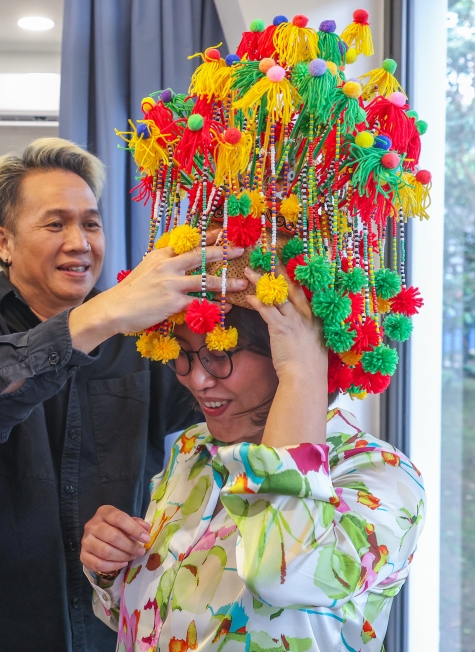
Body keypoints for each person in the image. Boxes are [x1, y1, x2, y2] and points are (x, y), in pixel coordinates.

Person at [0, 138, 249, 652]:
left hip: (115, 630)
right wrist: (97, 318)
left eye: (91, 223)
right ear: (3, 242)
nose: (79, 241)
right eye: (55, 224)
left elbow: (229, 397)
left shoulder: (141, 335)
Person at [79, 264, 426, 651]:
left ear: (289, 349)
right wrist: (111, 567)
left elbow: (278, 573)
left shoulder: (379, 476)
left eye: (220, 353)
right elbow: (153, 620)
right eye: (185, 353)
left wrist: (302, 372)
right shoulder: (194, 448)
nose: (197, 379)